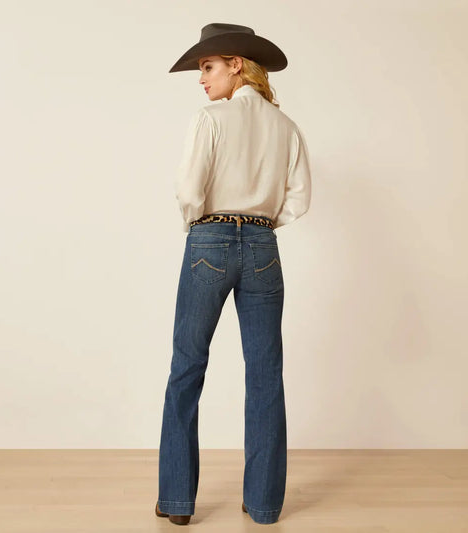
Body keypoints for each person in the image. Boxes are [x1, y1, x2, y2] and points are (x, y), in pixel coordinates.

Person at [155, 23, 312, 525]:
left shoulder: (210, 118)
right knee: (265, 373)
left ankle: (177, 501)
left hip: (209, 240)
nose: (202, 79)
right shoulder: (286, 127)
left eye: (207, 67)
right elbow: (299, 198)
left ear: (236, 65)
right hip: (264, 245)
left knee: (187, 367)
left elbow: (188, 190)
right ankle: (264, 504)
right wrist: (260, 225)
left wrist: (202, 227)